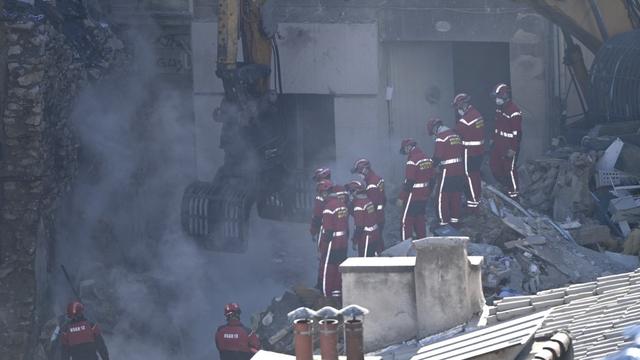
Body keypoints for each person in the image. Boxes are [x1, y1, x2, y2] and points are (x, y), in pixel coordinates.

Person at [428, 117, 465, 227]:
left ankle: (443, 222)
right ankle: (455, 221)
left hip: (447, 171)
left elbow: (437, 157)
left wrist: (430, 165)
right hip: (459, 170)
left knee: (441, 197)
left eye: (432, 133)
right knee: (455, 195)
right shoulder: (455, 135)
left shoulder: (441, 137)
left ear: (435, 128)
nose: (434, 135)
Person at [397, 138, 434, 240]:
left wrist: (401, 197)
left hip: (412, 196)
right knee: (420, 219)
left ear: (408, 147)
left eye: (405, 150)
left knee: (406, 221)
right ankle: (422, 242)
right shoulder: (427, 158)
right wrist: (428, 193)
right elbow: (432, 180)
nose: (405, 153)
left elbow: (409, 182)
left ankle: (405, 246)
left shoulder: (412, 161)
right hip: (424, 196)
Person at [490, 83, 522, 199]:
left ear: (505, 96)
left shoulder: (514, 111)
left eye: (498, 97)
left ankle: (514, 194)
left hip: (509, 146)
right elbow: (497, 125)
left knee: (510, 169)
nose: (496, 100)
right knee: (494, 166)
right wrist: (493, 139)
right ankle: (505, 187)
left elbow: (517, 133)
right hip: (498, 143)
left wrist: (513, 149)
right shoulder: (500, 109)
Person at [453, 93, 485, 210]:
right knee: (475, 176)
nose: (457, 109)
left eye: (457, 106)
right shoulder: (477, 114)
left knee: (470, 177)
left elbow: (457, 133)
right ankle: (475, 201)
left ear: (463, 104)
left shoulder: (466, 120)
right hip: (479, 151)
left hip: (469, 152)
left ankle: (473, 204)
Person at [319, 179, 349, 299]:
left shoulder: (328, 208)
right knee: (339, 268)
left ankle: (326, 296)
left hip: (333, 243)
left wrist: (323, 246)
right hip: (343, 242)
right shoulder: (342, 205)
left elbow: (328, 230)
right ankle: (337, 294)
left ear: (325, 193)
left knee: (328, 269)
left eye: (321, 194)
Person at [346, 180, 383, 257]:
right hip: (375, 233)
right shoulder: (368, 201)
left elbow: (359, 226)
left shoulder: (359, 205)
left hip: (366, 237)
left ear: (355, 192)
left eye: (350, 192)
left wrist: (354, 241)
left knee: (364, 262)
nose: (350, 194)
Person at [351, 158, 386, 232]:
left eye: (359, 173)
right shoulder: (378, 178)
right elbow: (384, 199)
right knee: (379, 240)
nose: (359, 175)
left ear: (364, 170)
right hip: (380, 215)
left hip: (375, 218)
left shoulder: (371, 184)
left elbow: (372, 204)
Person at [310, 168, 331, 244]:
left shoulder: (320, 196)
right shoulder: (335, 189)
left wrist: (313, 231)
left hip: (324, 228)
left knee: (323, 252)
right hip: (339, 229)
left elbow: (317, 215)